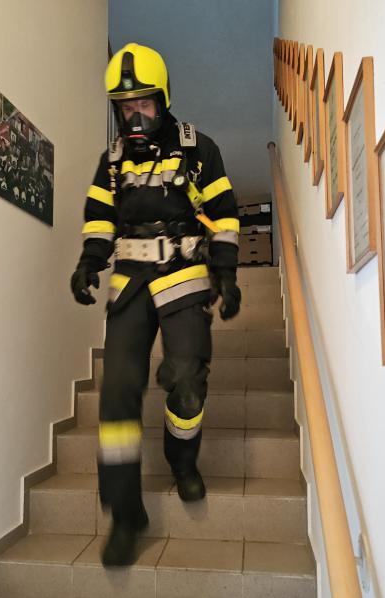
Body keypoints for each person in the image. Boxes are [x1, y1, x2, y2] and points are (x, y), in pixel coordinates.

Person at [69, 43, 241, 566]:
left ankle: (182, 459)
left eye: (143, 103)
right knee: (117, 396)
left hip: (184, 273)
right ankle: (126, 515)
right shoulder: (112, 161)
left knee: (186, 380)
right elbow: (100, 217)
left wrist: (227, 274)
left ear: (163, 99)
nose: (134, 115)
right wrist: (88, 261)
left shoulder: (198, 149)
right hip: (130, 280)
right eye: (125, 107)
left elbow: (224, 214)